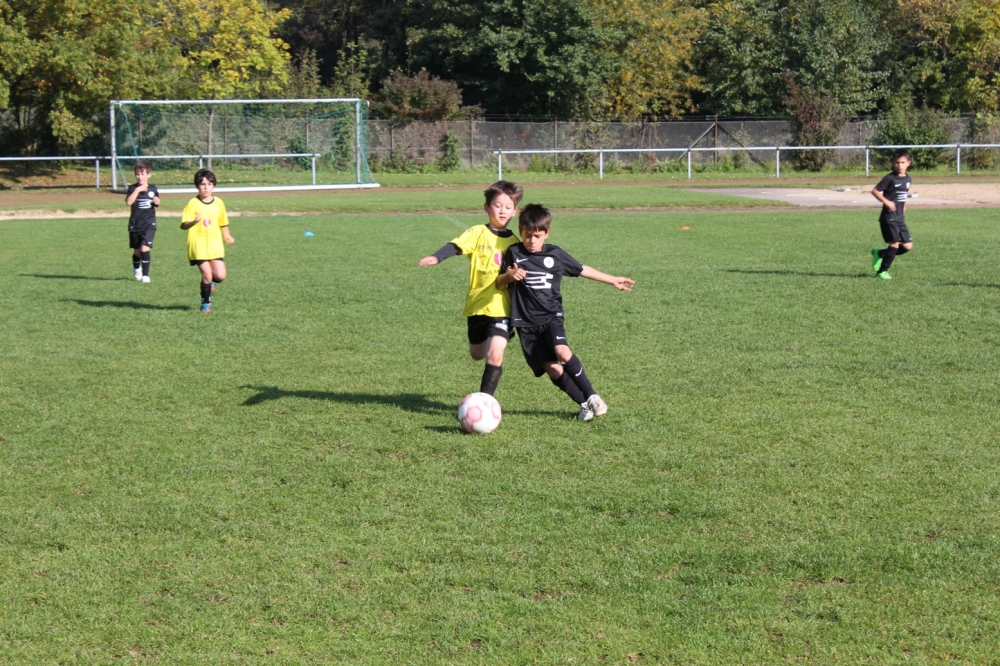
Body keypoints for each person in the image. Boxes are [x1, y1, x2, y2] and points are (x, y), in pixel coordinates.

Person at [496, 204, 635, 421]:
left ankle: (592, 395)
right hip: (525, 323)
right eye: (527, 235)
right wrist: (509, 276)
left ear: (546, 233)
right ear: (520, 231)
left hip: (551, 315)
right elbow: (499, 284)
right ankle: (584, 404)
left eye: (537, 236)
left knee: (562, 351)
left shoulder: (555, 254)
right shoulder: (514, 253)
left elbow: (581, 269)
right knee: (552, 369)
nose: (532, 241)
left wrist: (612, 280)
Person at [417, 181, 523, 396]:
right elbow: (456, 245)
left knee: (495, 354)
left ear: (515, 211)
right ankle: (496, 338)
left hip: (501, 308)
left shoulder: (515, 243)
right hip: (477, 305)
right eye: (497, 205)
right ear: (486, 208)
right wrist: (437, 257)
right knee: (476, 354)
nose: (502, 211)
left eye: (508, 206)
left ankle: (485, 400)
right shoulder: (477, 233)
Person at [180, 170, 234, 313]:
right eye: (202, 184)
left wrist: (227, 236)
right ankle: (205, 303)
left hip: (214, 244)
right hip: (198, 245)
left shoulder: (219, 203)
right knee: (207, 274)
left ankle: (210, 283)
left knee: (220, 276)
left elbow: (223, 221)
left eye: (209, 184)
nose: (206, 187)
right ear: (197, 186)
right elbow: (183, 225)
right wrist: (193, 221)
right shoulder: (192, 203)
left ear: (213, 186)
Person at [871, 149, 913, 280]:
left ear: (908, 163)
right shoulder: (889, 178)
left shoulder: (908, 179)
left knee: (907, 246)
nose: (900, 165)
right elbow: (875, 191)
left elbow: (903, 197)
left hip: (899, 218)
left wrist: (903, 209)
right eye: (897, 162)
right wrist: (887, 202)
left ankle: (880, 253)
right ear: (892, 163)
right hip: (888, 217)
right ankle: (882, 272)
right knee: (894, 244)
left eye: (902, 162)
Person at [125, 160, 160, 283]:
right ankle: (136, 267)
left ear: (149, 175)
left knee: (145, 248)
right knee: (137, 252)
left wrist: (157, 201)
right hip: (135, 225)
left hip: (149, 224)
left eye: (142, 174)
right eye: (137, 174)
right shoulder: (132, 188)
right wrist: (138, 190)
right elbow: (129, 202)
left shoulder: (153, 188)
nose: (139, 177)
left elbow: (157, 201)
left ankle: (145, 276)